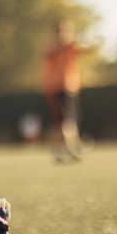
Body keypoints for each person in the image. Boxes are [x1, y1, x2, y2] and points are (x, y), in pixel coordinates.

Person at [41, 20, 88, 160]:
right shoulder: (51, 49)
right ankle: (71, 147)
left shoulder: (71, 47)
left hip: (70, 88)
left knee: (70, 119)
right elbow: (49, 54)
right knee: (66, 119)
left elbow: (87, 48)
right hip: (56, 88)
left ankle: (60, 149)